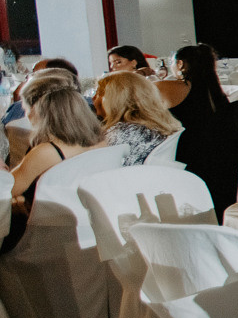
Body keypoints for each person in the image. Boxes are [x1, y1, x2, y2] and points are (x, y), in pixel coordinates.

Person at [6, 75, 106, 250]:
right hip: (89, 226)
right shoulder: (103, 141)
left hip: (45, 233)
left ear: (38, 110)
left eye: (26, 108)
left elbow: (6, 189)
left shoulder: (47, 151)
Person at [165, 43, 238, 215]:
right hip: (221, 168)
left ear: (181, 64)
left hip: (190, 161)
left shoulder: (176, 87)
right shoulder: (217, 94)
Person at [94, 70, 181, 165]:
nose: (93, 98)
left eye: (98, 93)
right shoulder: (154, 127)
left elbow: (98, 168)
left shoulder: (123, 134)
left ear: (113, 99)